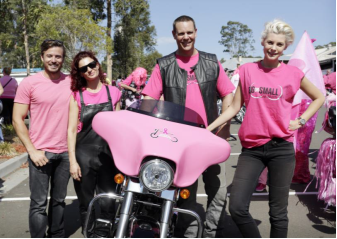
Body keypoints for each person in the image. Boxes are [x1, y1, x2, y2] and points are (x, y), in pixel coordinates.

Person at [207, 20, 325, 238]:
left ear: (285, 47)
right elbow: (234, 107)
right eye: (270, 42)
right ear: (263, 42)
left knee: (278, 213)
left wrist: (300, 120)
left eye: (279, 44)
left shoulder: (293, 73)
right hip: (252, 149)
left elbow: (319, 97)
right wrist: (209, 128)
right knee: (237, 207)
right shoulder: (247, 70)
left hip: (281, 149)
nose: (273, 47)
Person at [142, 15, 235, 238]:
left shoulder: (212, 62)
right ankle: (190, 233)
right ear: (174, 35)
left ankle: (212, 231)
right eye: (181, 33)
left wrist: (223, 127)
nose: (186, 37)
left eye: (189, 32)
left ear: (196, 32)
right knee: (186, 193)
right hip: (180, 143)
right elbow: (147, 101)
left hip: (212, 138)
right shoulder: (163, 65)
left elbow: (228, 95)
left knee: (218, 191)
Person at [12, 40, 72, 238]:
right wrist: (32, 150)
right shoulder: (29, 83)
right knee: (38, 204)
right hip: (40, 152)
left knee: (59, 201)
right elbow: (17, 119)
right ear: (42, 57)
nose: (54, 60)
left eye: (58, 56)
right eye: (50, 56)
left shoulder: (71, 82)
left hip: (65, 153)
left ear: (63, 59)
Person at [67, 51, 122, 233]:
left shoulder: (114, 93)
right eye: (84, 68)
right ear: (80, 73)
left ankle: (107, 233)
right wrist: (73, 161)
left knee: (109, 201)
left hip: (108, 156)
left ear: (98, 65)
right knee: (86, 203)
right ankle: (89, 233)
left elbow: (119, 128)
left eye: (91, 65)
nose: (89, 70)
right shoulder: (76, 95)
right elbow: (71, 130)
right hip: (84, 156)